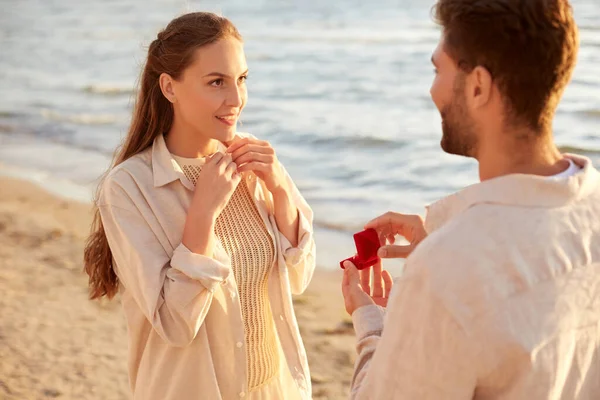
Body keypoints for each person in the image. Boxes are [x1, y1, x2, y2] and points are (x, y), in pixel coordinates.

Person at [341, 0, 600, 398]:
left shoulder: (447, 268)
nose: (433, 90)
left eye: (437, 69)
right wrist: (443, 229)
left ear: (478, 86)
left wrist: (372, 324)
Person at [83, 12, 315, 400]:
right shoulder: (128, 188)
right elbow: (175, 325)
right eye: (216, 82)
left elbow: (298, 277)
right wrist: (203, 212)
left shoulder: (253, 158)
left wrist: (278, 189)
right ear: (169, 87)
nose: (237, 99)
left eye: (242, 79)